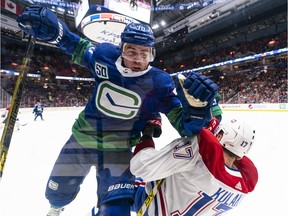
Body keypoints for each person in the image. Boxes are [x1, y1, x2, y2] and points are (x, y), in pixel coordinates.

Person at [16, 6, 218, 216]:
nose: (138, 59)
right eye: (131, 51)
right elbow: (74, 44)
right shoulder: (103, 56)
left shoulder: (160, 83)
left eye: (144, 53)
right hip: (81, 141)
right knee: (56, 191)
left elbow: (185, 126)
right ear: (121, 49)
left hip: (118, 152)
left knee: (116, 211)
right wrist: (58, 33)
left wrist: (197, 109)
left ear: (152, 54)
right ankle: (55, 209)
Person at [130, 118, 258, 216]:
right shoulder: (242, 188)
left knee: (116, 180)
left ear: (220, 135)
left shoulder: (199, 156)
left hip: (150, 205)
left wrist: (147, 135)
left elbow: (142, 167)